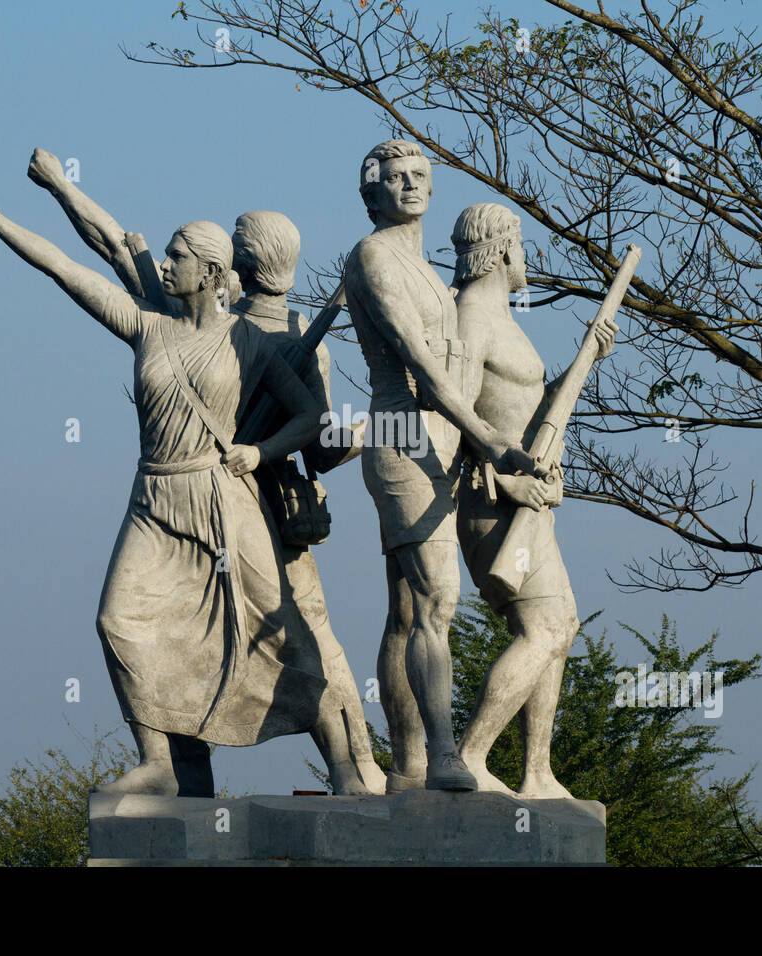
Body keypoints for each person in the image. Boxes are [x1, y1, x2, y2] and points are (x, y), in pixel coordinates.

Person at [0, 174, 366, 795]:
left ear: (213, 271)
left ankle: (347, 769)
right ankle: (159, 765)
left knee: (283, 635)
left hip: (224, 499)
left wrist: (260, 450)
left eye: (176, 256)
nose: (163, 265)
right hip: (154, 499)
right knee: (119, 620)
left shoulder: (250, 342)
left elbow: (308, 419)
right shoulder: (148, 326)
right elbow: (64, 268)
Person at [342, 140, 541, 791]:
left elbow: (464, 356)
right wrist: (488, 438)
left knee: (407, 611)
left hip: (446, 448)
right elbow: (420, 363)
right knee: (438, 598)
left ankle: (406, 764)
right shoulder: (374, 257)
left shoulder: (426, 268)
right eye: (394, 177)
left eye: (419, 175)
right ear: (370, 193)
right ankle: (442, 753)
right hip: (405, 441)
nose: (409, 185)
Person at [450, 203, 617, 798]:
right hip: (495, 501)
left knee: (559, 626)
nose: (528, 256)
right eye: (520, 243)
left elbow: (532, 407)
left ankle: (537, 770)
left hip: (531, 501)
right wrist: (502, 477)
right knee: (542, 627)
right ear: (499, 250)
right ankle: (471, 754)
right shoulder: (473, 317)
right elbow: (457, 412)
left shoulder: (498, 317)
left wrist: (586, 358)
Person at [230, 210, 385, 793]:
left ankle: (356, 766)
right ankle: (358, 768)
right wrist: (375, 429)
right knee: (313, 638)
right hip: (267, 501)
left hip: (231, 501)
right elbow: (321, 452)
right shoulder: (299, 335)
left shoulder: (215, 328)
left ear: (242, 263)